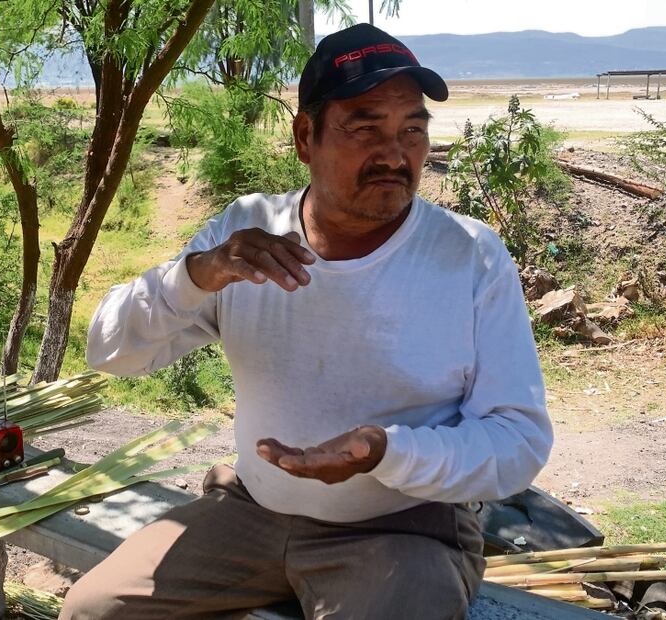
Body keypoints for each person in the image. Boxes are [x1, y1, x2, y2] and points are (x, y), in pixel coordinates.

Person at [61, 23, 553, 620]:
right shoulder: (249, 235)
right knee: (92, 611)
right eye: (365, 128)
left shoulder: (468, 256)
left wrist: (384, 451)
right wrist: (196, 275)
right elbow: (108, 350)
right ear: (304, 136)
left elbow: (517, 441)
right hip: (251, 510)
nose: (395, 156)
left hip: (402, 531)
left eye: (413, 131)